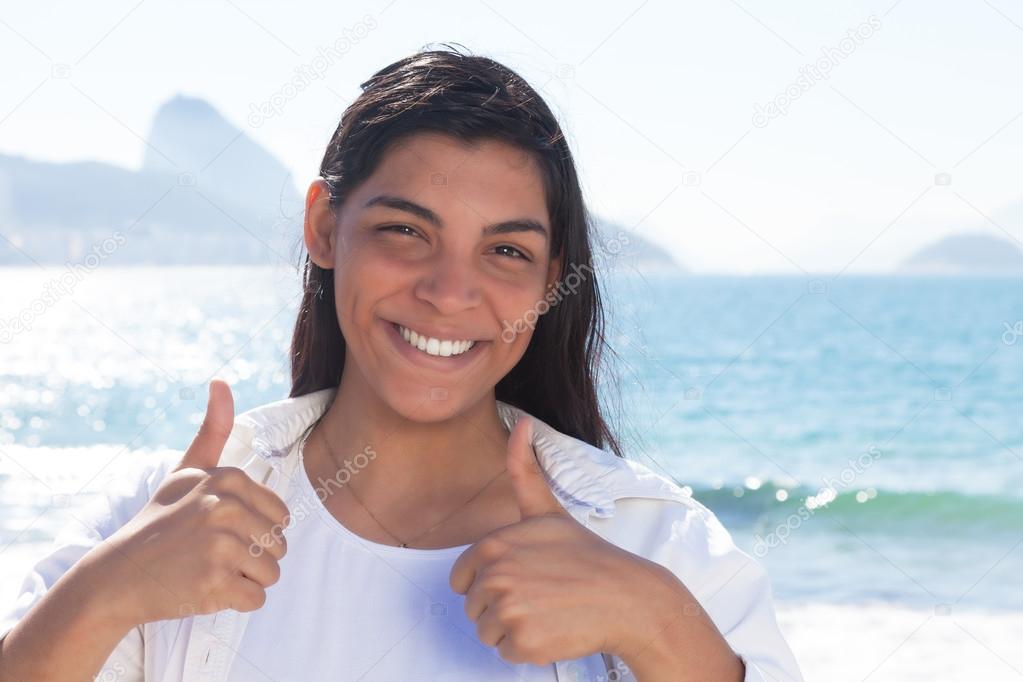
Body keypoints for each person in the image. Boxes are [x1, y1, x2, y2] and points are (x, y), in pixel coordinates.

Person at [0, 46, 804, 681]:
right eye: (406, 232)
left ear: (551, 280)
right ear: (323, 227)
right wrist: (105, 595)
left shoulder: (656, 544)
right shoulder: (161, 523)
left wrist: (653, 621)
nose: (451, 292)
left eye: (505, 250)